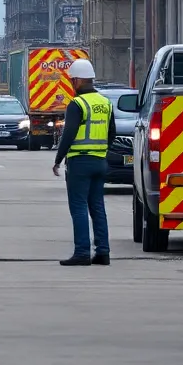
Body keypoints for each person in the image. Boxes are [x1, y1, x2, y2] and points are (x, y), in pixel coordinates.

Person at [51, 58, 115, 266]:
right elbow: (111, 133)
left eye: (72, 81)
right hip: (99, 161)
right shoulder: (105, 103)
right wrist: (102, 151)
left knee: (78, 207)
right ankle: (103, 252)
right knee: (97, 207)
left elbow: (68, 134)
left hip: (80, 162)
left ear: (77, 81)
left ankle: (82, 252)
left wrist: (58, 159)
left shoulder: (77, 104)